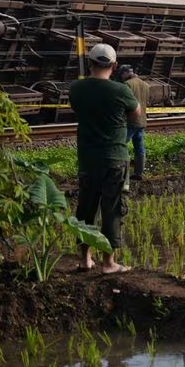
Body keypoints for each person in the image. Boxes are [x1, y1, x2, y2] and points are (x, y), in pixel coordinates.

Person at [69, 44, 140, 273]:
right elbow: (136, 113)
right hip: (114, 158)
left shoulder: (76, 88)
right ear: (114, 65)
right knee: (112, 210)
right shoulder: (121, 90)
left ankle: (85, 260)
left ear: (90, 64)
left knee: (85, 209)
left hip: (88, 160)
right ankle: (109, 263)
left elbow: (78, 110)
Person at [117, 65, 150, 181]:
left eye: (121, 75)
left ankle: (120, 173)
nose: (121, 77)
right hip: (141, 122)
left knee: (120, 146)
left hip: (130, 122)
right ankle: (139, 173)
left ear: (125, 73)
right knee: (139, 147)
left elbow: (123, 104)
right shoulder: (145, 85)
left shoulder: (127, 85)